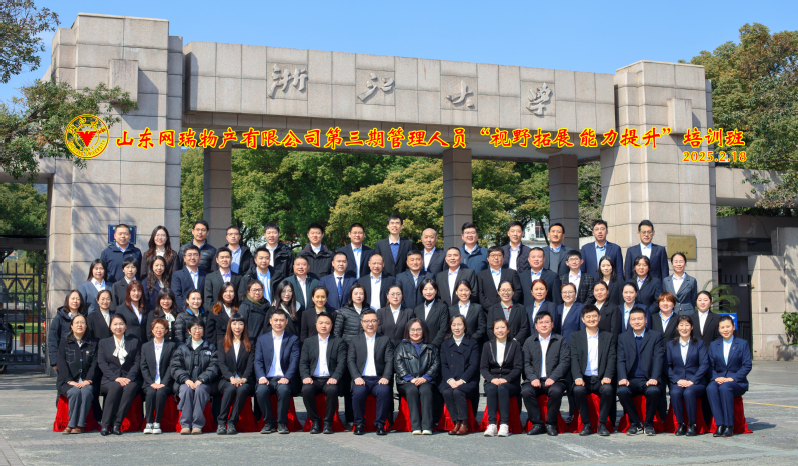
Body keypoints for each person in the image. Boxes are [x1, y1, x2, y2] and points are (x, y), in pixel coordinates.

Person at [616, 308, 664, 436]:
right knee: (622, 391)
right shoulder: (623, 337)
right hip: (630, 380)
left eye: (640, 318)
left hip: (648, 379)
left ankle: (648, 424)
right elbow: (620, 360)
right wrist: (622, 377)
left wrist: (654, 377)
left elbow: (658, 358)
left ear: (646, 320)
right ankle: (635, 423)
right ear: (629, 321)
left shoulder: (655, 336)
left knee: (654, 391)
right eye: (633, 319)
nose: (636, 321)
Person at [522, 311, 570, 436]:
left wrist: (553, 377)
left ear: (552, 324)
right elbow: (526, 363)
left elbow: (564, 362)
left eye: (547, 322)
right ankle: (537, 424)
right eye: (541, 322)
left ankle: (551, 424)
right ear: (536, 325)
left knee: (556, 391)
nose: (544, 325)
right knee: (526, 391)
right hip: (534, 380)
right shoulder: (529, 341)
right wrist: (533, 378)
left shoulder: (560, 340)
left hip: (555, 380)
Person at [570, 304, 616, 436]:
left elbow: (612, 358)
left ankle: (602, 424)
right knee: (578, 390)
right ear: (583, 319)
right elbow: (574, 359)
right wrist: (577, 377)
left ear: (599, 317)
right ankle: (586, 424)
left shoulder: (608, 336)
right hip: (583, 378)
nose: (591, 319)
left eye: (594, 316)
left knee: (608, 390)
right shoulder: (576, 337)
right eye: (588, 317)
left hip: (600, 378)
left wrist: (608, 376)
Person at [299, 311, 347, 434]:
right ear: (316, 325)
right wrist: (305, 376)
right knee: (306, 390)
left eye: (327, 323)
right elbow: (303, 362)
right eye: (321, 323)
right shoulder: (308, 342)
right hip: (313, 379)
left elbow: (341, 363)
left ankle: (328, 423)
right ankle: (315, 421)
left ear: (332, 325)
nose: (323, 325)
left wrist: (335, 377)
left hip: (330, 379)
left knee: (332, 390)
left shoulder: (339, 342)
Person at [348, 309, 394, 435]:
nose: (370, 324)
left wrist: (386, 377)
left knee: (384, 391)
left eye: (373, 321)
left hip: (379, 379)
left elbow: (389, 360)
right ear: (361, 323)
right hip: (361, 378)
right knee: (358, 393)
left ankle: (380, 424)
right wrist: (356, 377)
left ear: (378, 322)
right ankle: (359, 423)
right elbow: (350, 360)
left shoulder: (385, 340)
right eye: (367, 321)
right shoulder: (355, 340)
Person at [254, 309, 300, 434]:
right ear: (270, 321)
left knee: (284, 390)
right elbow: (258, 361)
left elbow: (294, 361)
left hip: (283, 377)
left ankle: (282, 423)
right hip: (267, 378)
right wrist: (261, 377)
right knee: (261, 391)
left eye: (281, 320)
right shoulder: (262, 339)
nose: (278, 323)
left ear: (286, 322)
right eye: (276, 320)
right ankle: (268, 422)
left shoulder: (293, 339)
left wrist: (287, 377)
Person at [170, 317, 219, 434]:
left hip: (204, 383)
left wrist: (202, 379)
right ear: (189, 331)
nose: (197, 331)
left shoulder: (211, 348)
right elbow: (175, 367)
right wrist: (185, 379)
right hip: (185, 382)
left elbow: (214, 367)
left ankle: (197, 424)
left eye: (200, 328)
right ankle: (186, 425)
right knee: (186, 390)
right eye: (194, 328)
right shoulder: (182, 348)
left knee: (200, 390)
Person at [706, 315, 752, 438]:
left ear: (733, 327)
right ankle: (720, 424)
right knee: (710, 388)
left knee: (725, 388)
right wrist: (716, 377)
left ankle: (729, 425)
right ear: (719, 329)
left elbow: (747, 365)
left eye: (728, 326)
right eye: (722, 327)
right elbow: (709, 366)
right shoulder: (714, 345)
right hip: (719, 379)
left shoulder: (742, 344)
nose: (725, 330)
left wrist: (734, 378)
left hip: (737, 382)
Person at [97, 314, 141, 436]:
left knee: (130, 388)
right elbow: (102, 363)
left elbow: (137, 362)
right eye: (115, 324)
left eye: (121, 324)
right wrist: (115, 378)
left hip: (129, 378)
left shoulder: (134, 342)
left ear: (126, 326)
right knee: (115, 387)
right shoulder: (103, 343)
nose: (118, 327)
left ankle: (117, 423)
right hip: (109, 379)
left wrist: (129, 378)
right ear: (110, 327)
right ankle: (105, 424)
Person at [394, 319, 440, 435]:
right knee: (412, 390)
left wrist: (426, 377)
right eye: (413, 330)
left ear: (423, 331)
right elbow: (398, 364)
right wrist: (410, 378)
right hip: (406, 381)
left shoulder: (431, 347)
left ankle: (427, 426)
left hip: (426, 380)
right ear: (408, 331)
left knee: (426, 390)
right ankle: (415, 426)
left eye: (419, 330)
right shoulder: (401, 347)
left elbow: (436, 364)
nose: (415, 332)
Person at [666, 315, 709, 436]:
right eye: (681, 325)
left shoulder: (699, 343)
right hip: (678, 381)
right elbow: (667, 366)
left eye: (687, 325)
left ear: (692, 327)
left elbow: (704, 365)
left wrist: (693, 380)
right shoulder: (670, 345)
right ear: (677, 327)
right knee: (675, 393)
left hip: (696, 382)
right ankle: (681, 424)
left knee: (689, 392)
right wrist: (677, 380)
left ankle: (692, 424)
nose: (684, 328)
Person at [55, 314, 98, 434]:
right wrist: (70, 380)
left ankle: (79, 425)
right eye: (77, 323)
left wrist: (88, 380)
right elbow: (61, 363)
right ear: (71, 326)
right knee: (74, 392)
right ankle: (71, 424)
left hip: (87, 381)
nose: (80, 325)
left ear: (86, 326)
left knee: (86, 392)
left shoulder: (94, 343)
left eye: (82, 322)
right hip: (67, 381)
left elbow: (95, 364)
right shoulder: (65, 343)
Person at [333, 285, 369, 427]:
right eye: (356, 293)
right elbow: (337, 334)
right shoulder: (343, 311)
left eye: (361, 293)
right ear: (351, 296)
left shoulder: (369, 311)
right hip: (349, 353)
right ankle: (349, 416)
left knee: (363, 384)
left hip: (365, 352)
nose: (359, 296)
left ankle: (363, 415)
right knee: (350, 386)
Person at [480, 319, 523, 437]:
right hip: (492, 380)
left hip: (510, 381)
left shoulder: (515, 345)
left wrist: (507, 379)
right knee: (492, 388)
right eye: (497, 328)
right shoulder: (487, 345)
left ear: (508, 330)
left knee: (503, 388)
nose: (500, 330)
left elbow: (518, 367)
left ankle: (504, 424)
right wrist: (491, 379)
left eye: (503, 327)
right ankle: (492, 424)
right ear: (493, 331)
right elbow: (483, 368)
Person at [439, 315, 480, 435]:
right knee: (447, 391)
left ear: (464, 326)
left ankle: (463, 423)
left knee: (458, 392)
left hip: (467, 379)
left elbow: (473, 365)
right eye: (454, 325)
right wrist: (450, 380)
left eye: (459, 324)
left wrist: (462, 380)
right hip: (450, 379)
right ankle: (456, 422)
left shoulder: (472, 343)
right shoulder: (445, 344)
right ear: (450, 327)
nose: (457, 328)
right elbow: (443, 365)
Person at [216, 313, 255, 435]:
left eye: (240, 324)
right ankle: (221, 422)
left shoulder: (250, 343)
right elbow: (221, 364)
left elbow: (250, 364)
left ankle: (232, 422)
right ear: (230, 326)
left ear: (244, 326)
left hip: (245, 380)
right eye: (234, 323)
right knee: (230, 389)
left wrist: (244, 378)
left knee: (242, 389)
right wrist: (231, 378)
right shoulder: (222, 343)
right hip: (226, 380)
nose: (237, 327)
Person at [140, 318, 177, 435]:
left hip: (166, 382)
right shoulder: (145, 346)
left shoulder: (171, 345)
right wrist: (151, 383)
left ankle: (157, 423)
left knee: (160, 393)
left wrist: (163, 383)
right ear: (152, 330)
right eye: (156, 328)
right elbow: (143, 366)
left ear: (166, 330)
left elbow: (172, 366)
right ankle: (148, 423)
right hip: (150, 382)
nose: (159, 330)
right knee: (151, 392)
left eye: (162, 328)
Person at [49, 290, 87, 370]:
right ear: (67, 300)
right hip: (64, 356)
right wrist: (54, 361)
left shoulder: (85, 316)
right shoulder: (59, 317)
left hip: (82, 357)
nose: (75, 301)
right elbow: (53, 339)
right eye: (72, 298)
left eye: (78, 299)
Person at [477, 246, 522, 310]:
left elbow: (518, 291)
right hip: (488, 312)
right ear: (488, 258)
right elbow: (480, 295)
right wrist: (493, 309)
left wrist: (507, 305)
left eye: (499, 255)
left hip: (509, 310)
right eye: (493, 255)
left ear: (503, 258)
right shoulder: (481, 275)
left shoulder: (512, 273)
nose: (496, 258)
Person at [413, 279, 449, 348]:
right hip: (419, 347)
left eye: (431, 289)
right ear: (422, 291)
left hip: (436, 347)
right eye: (425, 289)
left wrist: (433, 345)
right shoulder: (417, 309)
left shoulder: (442, 307)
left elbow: (443, 329)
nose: (428, 292)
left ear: (436, 290)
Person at [204, 247, 242, 312]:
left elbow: (240, 298)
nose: (224, 260)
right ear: (217, 260)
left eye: (227, 257)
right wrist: (215, 312)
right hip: (216, 313)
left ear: (231, 259)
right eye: (222, 257)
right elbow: (208, 299)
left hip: (233, 313)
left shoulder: (238, 277)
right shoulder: (210, 277)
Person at [449, 280, 486, 345]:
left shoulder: (478, 308)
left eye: (466, 290)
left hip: (473, 344)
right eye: (461, 290)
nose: (463, 293)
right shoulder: (451, 309)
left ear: (470, 291)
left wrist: (471, 340)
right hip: (455, 344)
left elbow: (482, 328)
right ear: (456, 292)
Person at [171, 245, 207, 311]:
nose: (192, 257)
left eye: (195, 255)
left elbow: (207, 296)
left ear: (199, 258)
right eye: (189, 255)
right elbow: (177, 296)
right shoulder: (177, 275)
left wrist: (202, 310)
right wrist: (188, 310)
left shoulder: (205, 275)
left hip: (202, 312)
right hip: (184, 312)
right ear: (184, 258)